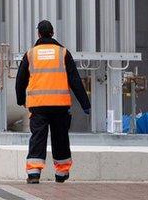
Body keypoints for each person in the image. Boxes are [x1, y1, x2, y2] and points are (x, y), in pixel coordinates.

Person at [15, 20, 91, 184]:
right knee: (60, 137)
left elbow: (20, 80)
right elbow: (75, 80)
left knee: (38, 137)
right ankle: (62, 173)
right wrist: (85, 104)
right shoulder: (63, 53)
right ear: (52, 33)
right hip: (60, 105)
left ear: (38, 34)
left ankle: (34, 173)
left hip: (38, 105)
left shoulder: (30, 54)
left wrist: (20, 100)